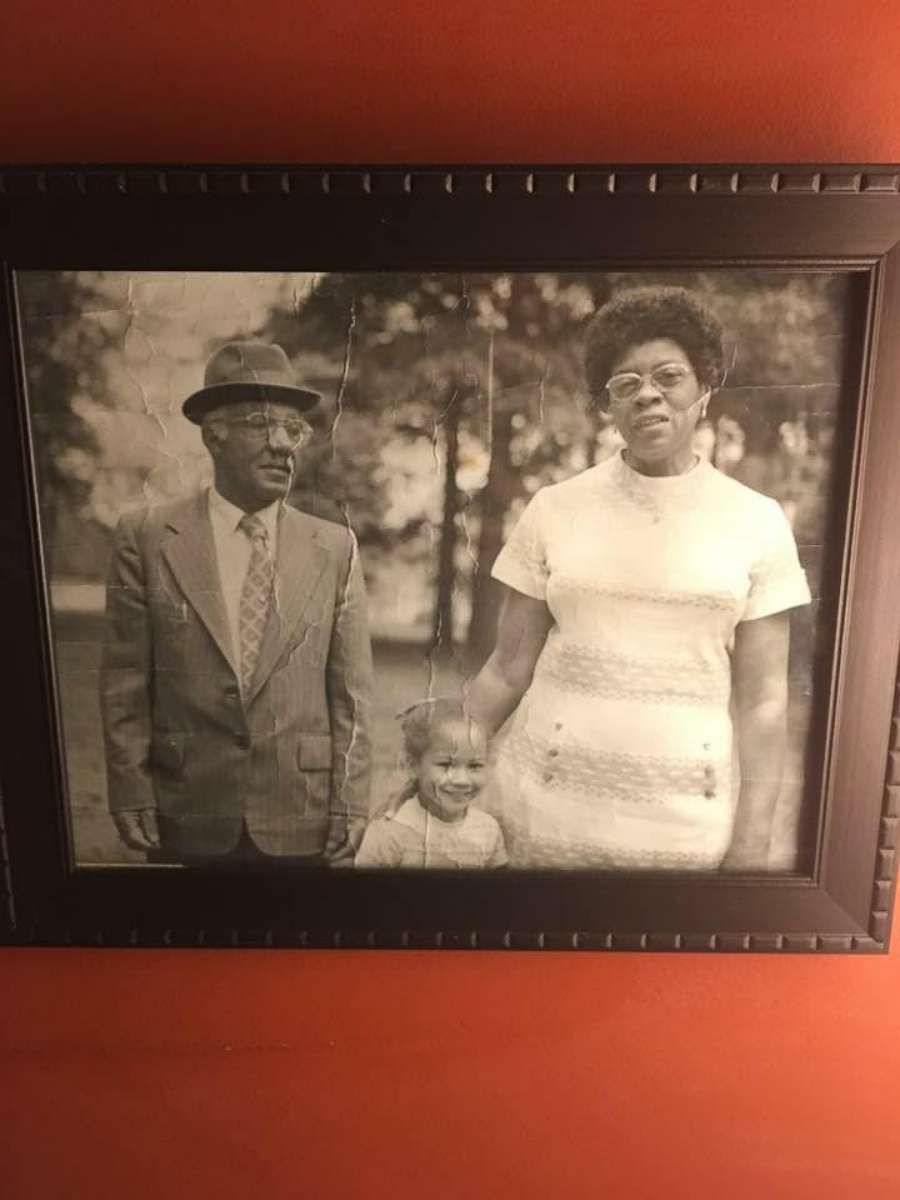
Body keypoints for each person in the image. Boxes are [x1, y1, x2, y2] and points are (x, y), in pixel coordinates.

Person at [467, 286, 811, 872]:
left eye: (668, 376)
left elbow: (764, 703)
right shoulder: (555, 508)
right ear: (607, 406)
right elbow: (505, 669)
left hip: (681, 835)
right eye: (625, 384)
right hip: (543, 817)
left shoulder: (757, 520)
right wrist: (438, 771)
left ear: (704, 387)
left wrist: (751, 842)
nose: (647, 394)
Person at [100, 340, 374, 865]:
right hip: (185, 809)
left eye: (293, 429)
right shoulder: (149, 536)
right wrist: (130, 787)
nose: (282, 445)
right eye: (259, 423)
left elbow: (352, 694)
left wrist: (350, 802)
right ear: (213, 435)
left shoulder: (335, 547)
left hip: (302, 813)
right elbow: (124, 681)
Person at [355, 699, 507, 869]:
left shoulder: (488, 829)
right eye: (445, 765)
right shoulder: (390, 832)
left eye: (474, 766)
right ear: (413, 765)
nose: (461, 780)